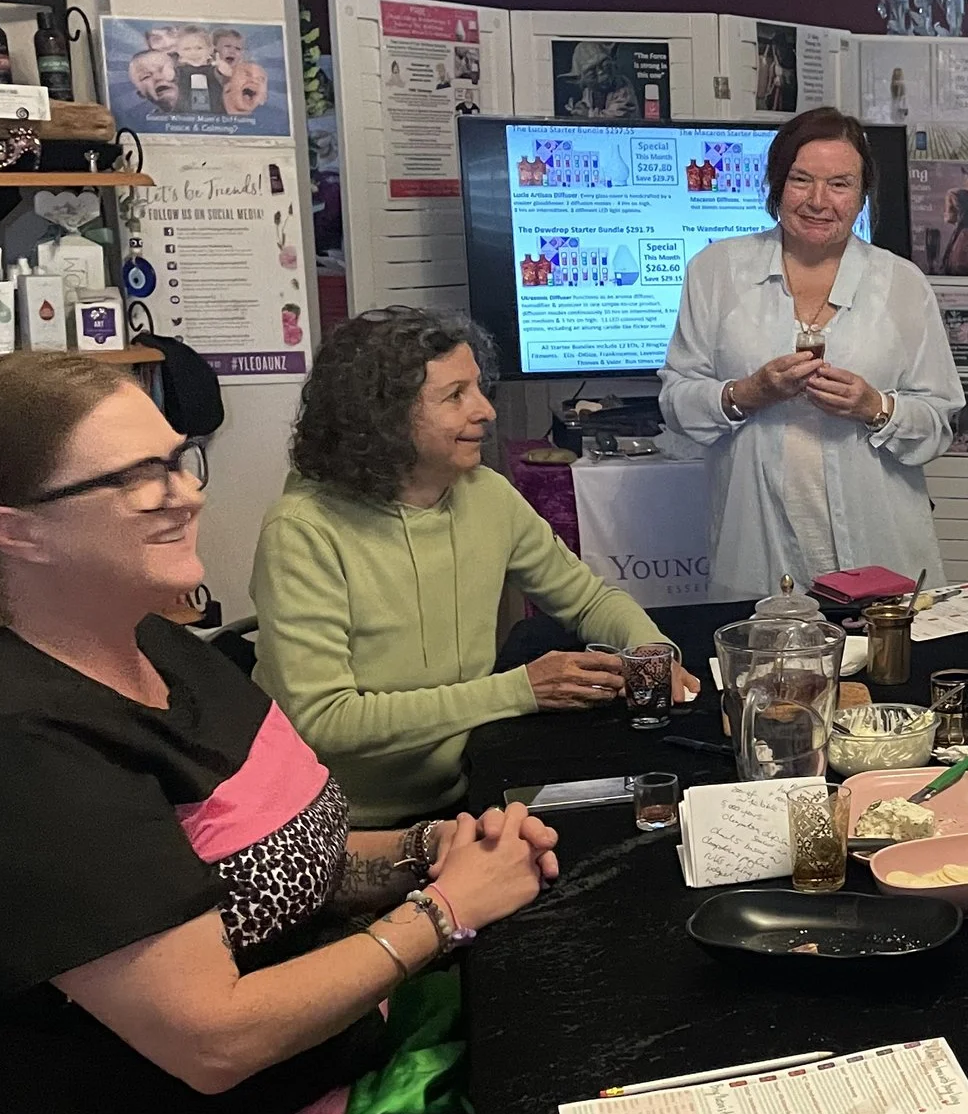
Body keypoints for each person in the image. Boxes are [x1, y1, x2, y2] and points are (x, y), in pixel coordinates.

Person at [0, 352, 559, 1114]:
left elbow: (282, 863)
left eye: (176, 460)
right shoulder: (12, 745)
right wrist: (442, 916)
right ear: (14, 532)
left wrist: (425, 852)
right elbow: (211, 1036)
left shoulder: (157, 642)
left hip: (270, 1104)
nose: (186, 491)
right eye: (132, 478)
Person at [253, 308, 688, 830]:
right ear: (381, 418)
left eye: (479, 389)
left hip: (468, 792)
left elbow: (589, 600)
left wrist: (651, 652)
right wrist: (519, 690)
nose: (486, 412)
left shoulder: (487, 496)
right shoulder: (303, 531)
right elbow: (325, 721)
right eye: (455, 396)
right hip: (336, 828)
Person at [661, 106, 963, 596]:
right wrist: (747, 393)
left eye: (840, 184)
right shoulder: (715, 271)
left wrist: (875, 407)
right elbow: (676, 402)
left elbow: (938, 423)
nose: (819, 201)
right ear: (776, 185)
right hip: (757, 550)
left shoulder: (902, 284)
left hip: (880, 550)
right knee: (761, 667)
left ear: (862, 195)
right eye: (802, 180)